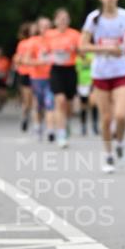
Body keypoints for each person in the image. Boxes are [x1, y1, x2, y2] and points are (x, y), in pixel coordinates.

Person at [81, 0, 125, 172]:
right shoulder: (93, 18)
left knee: (121, 115)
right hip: (101, 73)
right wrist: (106, 48)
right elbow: (83, 46)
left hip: (121, 71)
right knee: (106, 118)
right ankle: (108, 154)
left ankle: (119, 142)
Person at [46, 8, 81, 148]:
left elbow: (82, 52)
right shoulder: (49, 35)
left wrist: (76, 50)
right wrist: (48, 54)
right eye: (60, 18)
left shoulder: (75, 34)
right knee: (60, 101)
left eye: (65, 18)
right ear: (55, 21)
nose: (63, 20)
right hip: (56, 70)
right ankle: (61, 134)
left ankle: (65, 123)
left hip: (70, 70)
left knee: (69, 105)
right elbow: (42, 52)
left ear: (69, 21)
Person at [23, 17, 56, 140]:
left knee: (50, 103)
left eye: (48, 26)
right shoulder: (33, 42)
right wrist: (39, 62)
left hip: (52, 77)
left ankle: (50, 129)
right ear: (39, 28)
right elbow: (26, 60)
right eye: (43, 26)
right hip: (37, 78)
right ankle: (38, 126)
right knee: (38, 104)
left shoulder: (55, 41)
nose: (46, 29)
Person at [12, 23, 35, 131]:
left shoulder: (39, 41)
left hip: (37, 73)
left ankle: (37, 121)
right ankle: (25, 116)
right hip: (25, 73)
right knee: (27, 99)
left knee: (36, 99)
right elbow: (18, 58)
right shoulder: (23, 43)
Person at [76, 51, 98, 136]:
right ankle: (83, 126)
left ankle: (95, 125)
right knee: (83, 105)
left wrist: (86, 57)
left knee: (93, 103)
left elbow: (96, 65)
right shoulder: (76, 58)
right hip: (81, 83)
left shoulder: (92, 55)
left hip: (91, 82)